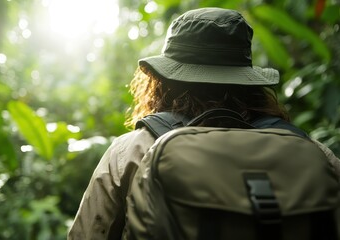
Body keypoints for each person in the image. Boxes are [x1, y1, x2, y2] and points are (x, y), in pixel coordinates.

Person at [68, 7, 340, 240]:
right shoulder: (315, 155)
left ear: (162, 82)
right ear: (249, 80)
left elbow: (89, 233)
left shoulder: (131, 152)